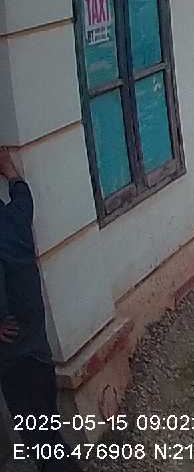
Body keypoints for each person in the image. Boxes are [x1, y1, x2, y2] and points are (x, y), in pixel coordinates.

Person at [0, 148, 81, 472]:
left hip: (15, 357)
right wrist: (10, 170)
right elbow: (23, 197)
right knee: (47, 429)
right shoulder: (14, 220)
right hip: (37, 349)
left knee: (40, 440)